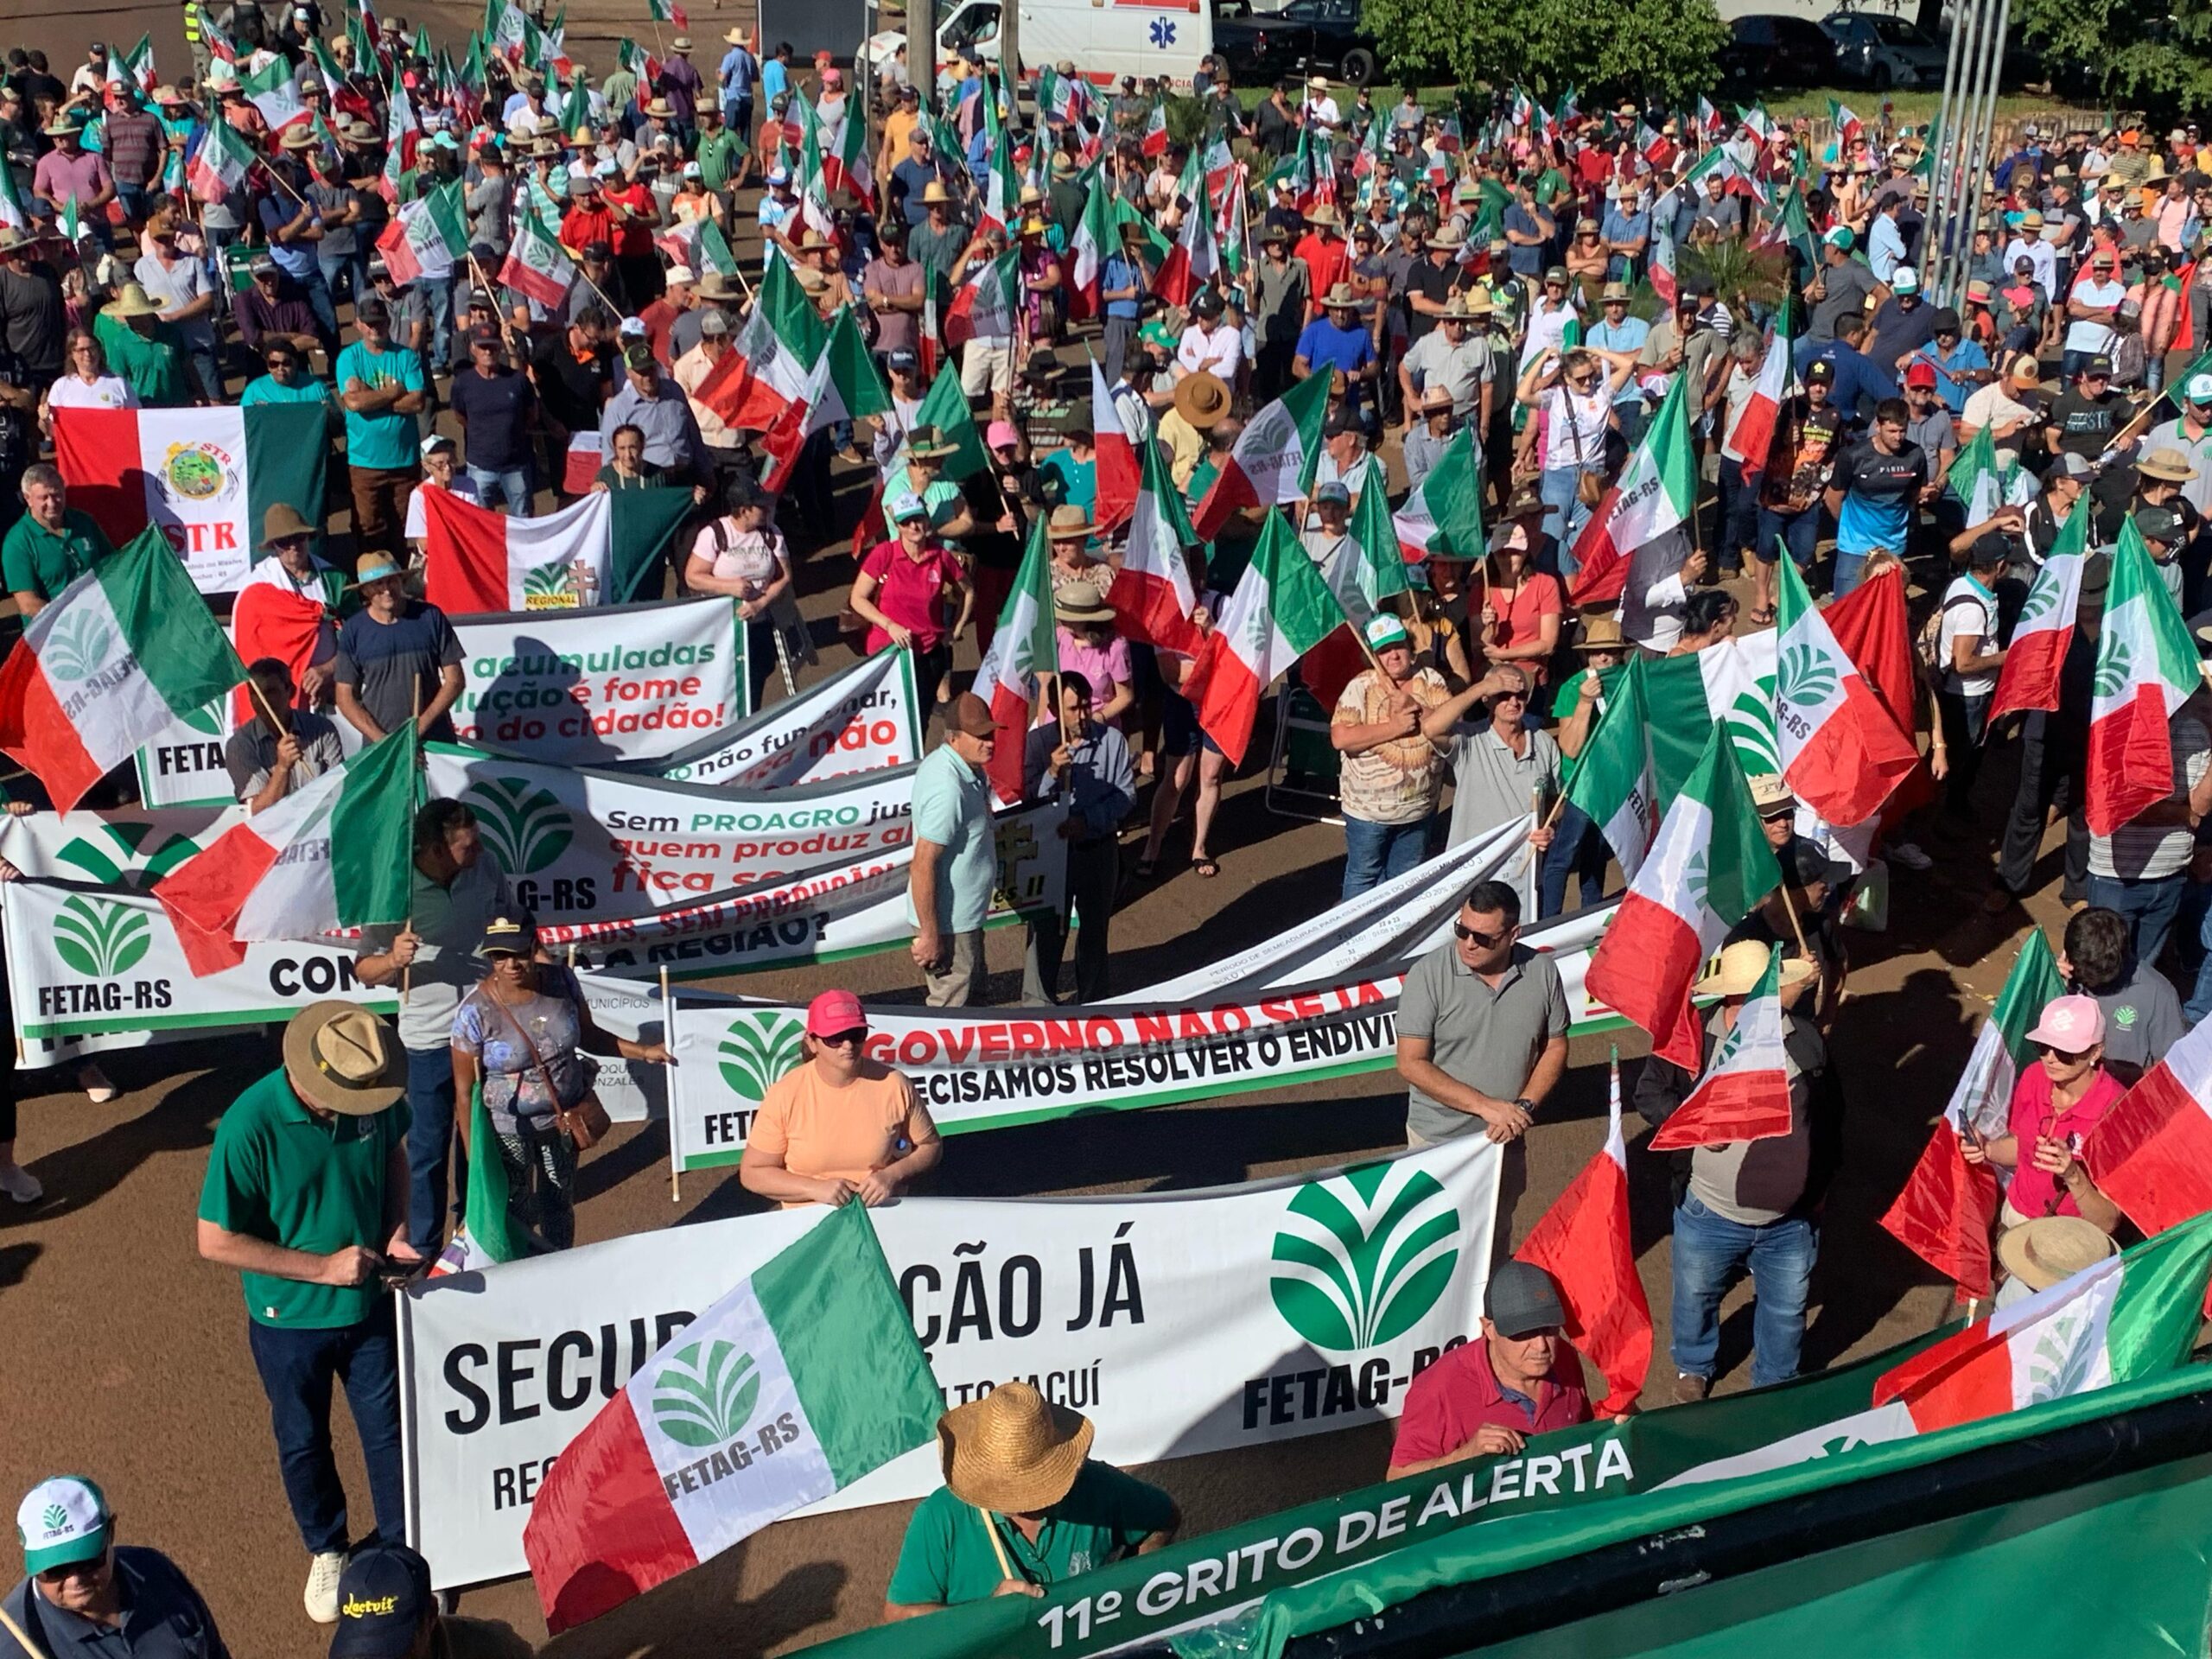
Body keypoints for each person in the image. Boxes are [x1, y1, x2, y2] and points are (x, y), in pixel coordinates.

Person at [194, 1002, 415, 1622]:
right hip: (288, 1324)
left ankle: (403, 1548)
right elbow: (213, 1240)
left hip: (370, 1307)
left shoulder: (371, 1094)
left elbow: (393, 1154)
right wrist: (322, 1269)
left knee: (390, 1431)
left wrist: (395, 1229)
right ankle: (328, 1548)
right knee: (303, 1441)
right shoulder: (249, 1124)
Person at [1636, 941, 1840, 1399]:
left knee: (1787, 1313)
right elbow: (1650, 1095)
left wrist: (1821, 1189)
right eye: (1761, 994)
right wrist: (1699, 1124)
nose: (1776, 1001)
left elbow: (1830, 1121)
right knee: (1696, 1296)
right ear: (1733, 998)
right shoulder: (1688, 1037)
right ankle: (1694, 1366)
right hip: (1709, 1210)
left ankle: (1772, 1387)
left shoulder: (1805, 1041)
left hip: (1791, 1223)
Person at [354, 801, 518, 1258]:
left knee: (480, 1140)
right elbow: (364, 969)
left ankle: (474, 1236)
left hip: (486, 1031)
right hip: (427, 1041)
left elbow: (511, 922)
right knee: (427, 1150)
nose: (481, 849)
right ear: (434, 851)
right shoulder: (395, 890)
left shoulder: (485, 867)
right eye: (468, 844)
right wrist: (392, 960)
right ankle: (423, 1253)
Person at [450, 915, 666, 1251]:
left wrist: (643, 1052)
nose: (510, 965)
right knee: (516, 1211)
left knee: (559, 1205)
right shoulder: (474, 1013)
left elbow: (590, 1035)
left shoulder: (563, 981)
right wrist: (474, 1156)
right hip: (510, 1130)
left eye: (519, 953)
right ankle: (521, 1279)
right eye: (498, 956)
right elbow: (464, 1093)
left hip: (565, 1121)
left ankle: (559, 1271)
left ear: (534, 946)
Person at [883, 1382, 1178, 1618]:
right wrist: (983, 1615)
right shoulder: (940, 1516)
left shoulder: (1096, 1485)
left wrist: (1127, 1592)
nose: (1017, 1498)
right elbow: (899, 1615)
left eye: (1028, 1485)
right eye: (1005, 1484)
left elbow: (1164, 1519)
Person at [1395, 879, 1570, 1152]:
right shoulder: (1427, 974)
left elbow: (1556, 1046)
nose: (1469, 944)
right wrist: (1486, 1106)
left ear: (1513, 935)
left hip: (1507, 1134)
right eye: (1462, 931)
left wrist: (1522, 1107)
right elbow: (1411, 1063)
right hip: (1437, 1140)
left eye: (1483, 938)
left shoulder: (1542, 971)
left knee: (1506, 1197)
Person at [739, 987, 943, 1208]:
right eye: (835, 1038)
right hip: (810, 1222)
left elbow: (931, 1146)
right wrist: (814, 1189)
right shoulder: (785, 1094)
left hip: (880, 1214)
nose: (848, 1045)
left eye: (856, 1035)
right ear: (812, 1042)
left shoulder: (894, 1084)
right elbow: (753, 1173)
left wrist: (892, 1175)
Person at [1385, 1262, 1594, 1476]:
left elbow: (1586, 1434)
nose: (1541, 1346)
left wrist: (1621, 1429)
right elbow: (1396, 1480)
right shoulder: (1438, 1389)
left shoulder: (1565, 1358)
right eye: (1523, 1333)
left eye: (1549, 1329)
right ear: (1489, 1329)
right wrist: (1465, 1456)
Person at [5, 1476, 228, 1657]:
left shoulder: (154, 1571)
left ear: (111, 1533)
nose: (75, 1580)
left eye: (86, 1562)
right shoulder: (11, 1647)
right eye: (56, 1570)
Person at [1962, 994, 2125, 1236]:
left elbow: (2108, 1222)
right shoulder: (2034, 1077)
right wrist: (1985, 1148)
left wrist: (2073, 1175)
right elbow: (2021, 1146)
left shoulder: (2117, 1111)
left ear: (2095, 1052)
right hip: (2016, 1214)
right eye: (2043, 1046)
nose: (2050, 1058)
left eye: (2064, 1052)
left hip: (2068, 1238)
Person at [1023, 669, 1135, 1005]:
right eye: (1073, 708)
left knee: (1095, 929)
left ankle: (1093, 1001)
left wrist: (1088, 822)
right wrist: (1052, 774)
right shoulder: (1038, 743)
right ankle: (1038, 1004)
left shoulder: (1112, 741)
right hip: (1053, 854)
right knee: (1047, 931)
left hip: (1097, 850)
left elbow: (1126, 797)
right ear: (1056, 709)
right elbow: (1026, 801)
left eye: (1086, 705)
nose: (1083, 714)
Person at [2082, 683, 2212, 971]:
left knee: (2142, 972)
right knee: (2101, 970)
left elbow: (2201, 807)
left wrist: (2186, 811)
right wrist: (2183, 813)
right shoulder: (2118, 726)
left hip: (2170, 876)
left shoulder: (2195, 733)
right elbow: (2127, 809)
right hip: (2117, 877)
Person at [1331, 614, 1452, 898]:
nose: (1393, 655)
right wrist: (1394, 728)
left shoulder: (1432, 680)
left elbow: (1450, 729)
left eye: (1398, 646)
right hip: (1368, 813)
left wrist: (1418, 709)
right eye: (1384, 650)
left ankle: (1396, 937)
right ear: (1373, 656)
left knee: (1406, 882)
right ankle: (1357, 938)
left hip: (1419, 810)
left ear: (1411, 649)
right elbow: (1341, 738)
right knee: (1364, 876)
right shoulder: (1359, 687)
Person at [908, 692, 999, 1008]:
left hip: (964, 919)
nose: (990, 742)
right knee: (951, 1010)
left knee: (975, 1001)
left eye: (991, 734)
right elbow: (922, 864)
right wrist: (931, 935)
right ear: (955, 737)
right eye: (980, 736)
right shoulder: (948, 788)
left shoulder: (965, 767)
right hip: (950, 926)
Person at [851, 495, 970, 724]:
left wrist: (955, 629)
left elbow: (968, 591)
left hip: (928, 653)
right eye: (906, 522)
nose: (914, 526)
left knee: (920, 720)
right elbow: (858, 598)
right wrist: (889, 625)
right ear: (897, 527)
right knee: (885, 722)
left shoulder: (941, 556)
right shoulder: (884, 554)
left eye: (919, 519)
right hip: (887, 653)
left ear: (927, 520)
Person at [1423, 664, 1560, 855]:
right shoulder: (1470, 738)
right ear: (1487, 700)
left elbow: (1552, 799)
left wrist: (1548, 829)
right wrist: (1480, 687)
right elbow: (1431, 728)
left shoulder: (1545, 743)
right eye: (1503, 695)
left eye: (1520, 695)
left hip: (1522, 868)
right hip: (1474, 866)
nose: (1513, 702)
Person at [332, 553, 464, 746]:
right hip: (382, 747)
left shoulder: (430, 617)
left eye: (391, 581)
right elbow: (344, 697)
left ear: (401, 580)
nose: (387, 590)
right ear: (366, 591)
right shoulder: (353, 630)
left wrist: (420, 728)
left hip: (434, 742)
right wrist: (382, 740)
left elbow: (455, 680)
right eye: (378, 584)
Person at [683, 480, 794, 707]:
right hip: (722, 625)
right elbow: (692, 577)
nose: (767, 510)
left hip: (759, 622)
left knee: (758, 673)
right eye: (760, 506)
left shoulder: (771, 533)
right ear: (744, 511)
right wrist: (728, 587)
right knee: (722, 679)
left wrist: (760, 603)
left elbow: (784, 577)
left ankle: (750, 719)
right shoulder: (715, 534)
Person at [337, 299, 427, 560]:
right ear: (358, 325)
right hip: (365, 463)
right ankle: (371, 581)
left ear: (388, 323)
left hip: (404, 461)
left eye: (379, 322)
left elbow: (418, 402)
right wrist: (395, 391)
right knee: (368, 527)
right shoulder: (349, 358)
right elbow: (353, 403)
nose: (374, 328)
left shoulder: (406, 356)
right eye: (368, 323)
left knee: (404, 526)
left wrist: (371, 397)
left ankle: (401, 580)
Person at [2059, 905, 2184, 1084]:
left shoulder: (2158, 994)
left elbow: (2170, 1071)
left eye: (2099, 980)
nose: (2088, 984)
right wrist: (2051, 985)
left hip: (2119, 1093)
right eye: (2082, 974)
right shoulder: (2065, 976)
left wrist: (2117, 1073)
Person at [1822, 396, 1929, 598]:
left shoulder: (1916, 455)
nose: (1898, 437)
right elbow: (1832, 498)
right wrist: (1850, 526)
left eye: (1902, 431)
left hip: (1893, 545)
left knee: (1886, 608)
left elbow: (1914, 495)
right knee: (1847, 608)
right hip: (1855, 546)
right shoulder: (1853, 456)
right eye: (1892, 431)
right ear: (1878, 426)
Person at [227, 658, 346, 813]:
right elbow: (256, 812)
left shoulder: (322, 730)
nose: (263, 701)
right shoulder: (240, 745)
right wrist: (282, 768)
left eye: (271, 692)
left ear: (291, 691)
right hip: (272, 833)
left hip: (320, 825)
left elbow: (341, 789)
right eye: (255, 693)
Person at [448, 325, 536, 516]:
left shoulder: (517, 379)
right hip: (480, 466)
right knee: (480, 523)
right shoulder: (463, 383)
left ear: (499, 348)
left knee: (523, 520)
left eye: (492, 346)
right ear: (473, 349)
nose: (487, 351)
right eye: (482, 346)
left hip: (516, 465)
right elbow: (460, 416)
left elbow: (531, 414)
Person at [2, 463, 111, 614]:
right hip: (56, 630)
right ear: (28, 498)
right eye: (43, 498)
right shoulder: (17, 543)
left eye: (57, 495)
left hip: (100, 615)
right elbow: (28, 604)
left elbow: (112, 564)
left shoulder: (84, 522)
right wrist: (72, 620)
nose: (52, 503)